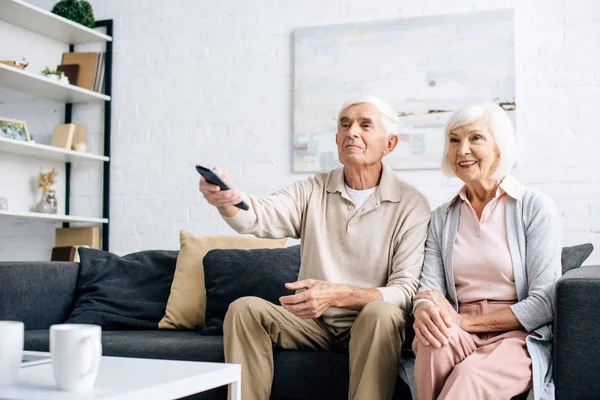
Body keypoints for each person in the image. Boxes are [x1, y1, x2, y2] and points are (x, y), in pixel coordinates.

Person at [199, 96, 431, 400]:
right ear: (336, 139)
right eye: (345, 125)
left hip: (369, 325)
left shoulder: (412, 204)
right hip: (313, 323)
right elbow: (260, 215)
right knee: (244, 309)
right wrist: (228, 200)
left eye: (365, 125)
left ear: (390, 144)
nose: (352, 132)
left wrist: (340, 294)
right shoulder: (313, 189)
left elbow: (406, 290)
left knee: (382, 314)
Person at [412, 103, 562, 400]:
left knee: (470, 375)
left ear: (499, 147)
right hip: (455, 328)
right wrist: (425, 310)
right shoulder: (441, 217)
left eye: (475, 138)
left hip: (517, 336)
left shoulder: (534, 208)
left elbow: (545, 302)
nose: (462, 149)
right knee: (432, 342)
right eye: (454, 140)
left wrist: (466, 323)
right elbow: (428, 289)